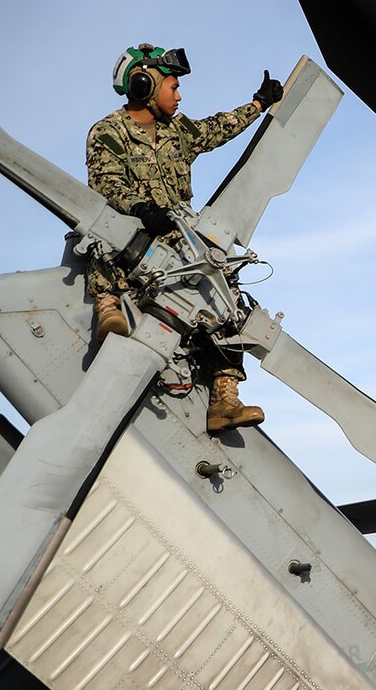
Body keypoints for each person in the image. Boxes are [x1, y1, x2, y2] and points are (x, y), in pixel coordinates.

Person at [85, 43, 285, 433]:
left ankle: (224, 400)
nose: (179, 96)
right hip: (134, 236)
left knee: (223, 293)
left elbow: (216, 129)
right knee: (104, 235)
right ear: (145, 84)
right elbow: (104, 185)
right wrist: (140, 210)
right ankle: (107, 306)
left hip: (178, 241)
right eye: (173, 87)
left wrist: (258, 104)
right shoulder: (107, 133)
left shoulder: (177, 131)